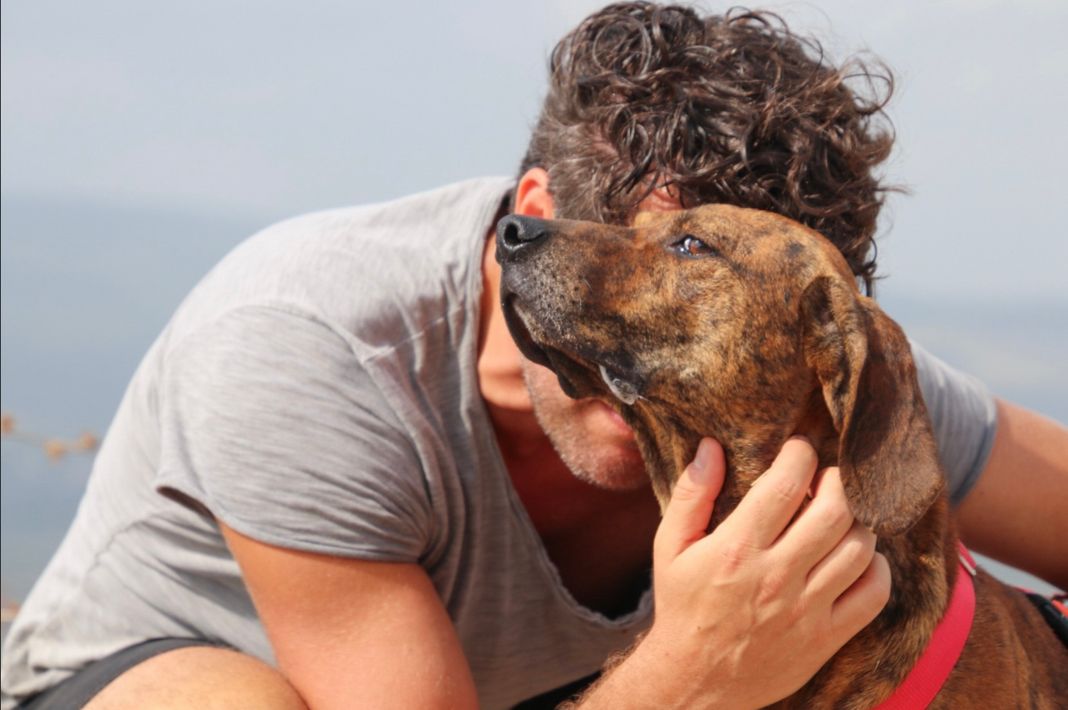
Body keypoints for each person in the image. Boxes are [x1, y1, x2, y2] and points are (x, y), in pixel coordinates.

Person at [3, 3, 1066, 709]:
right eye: (667, 249)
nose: (664, 315)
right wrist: (692, 675)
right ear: (537, 214)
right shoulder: (310, 344)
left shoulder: (819, 369)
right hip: (164, 675)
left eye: (706, 272)